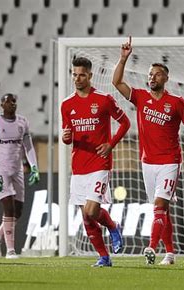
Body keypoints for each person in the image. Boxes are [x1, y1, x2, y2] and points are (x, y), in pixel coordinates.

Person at [113, 36, 184, 266]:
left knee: (159, 205)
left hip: (170, 161)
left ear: (166, 78)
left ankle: (150, 247)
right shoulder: (140, 97)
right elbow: (117, 82)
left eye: (156, 74)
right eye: (149, 74)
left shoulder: (176, 102)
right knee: (161, 210)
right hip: (148, 163)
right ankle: (170, 253)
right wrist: (123, 58)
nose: (152, 77)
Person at [61, 57, 130, 267]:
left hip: (100, 163)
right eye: (74, 74)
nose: (77, 78)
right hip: (78, 166)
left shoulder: (104, 99)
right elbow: (68, 134)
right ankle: (104, 257)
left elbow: (125, 123)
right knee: (86, 217)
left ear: (90, 76)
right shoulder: (66, 104)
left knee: (92, 211)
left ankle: (113, 226)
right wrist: (66, 138)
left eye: (82, 74)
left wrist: (111, 144)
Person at [0, 93, 40, 259]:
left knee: (18, 211)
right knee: (8, 208)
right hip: (0, 171)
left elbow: (28, 146)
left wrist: (34, 167)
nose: (11, 104)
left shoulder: (22, 122)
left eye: (13, 101)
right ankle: (11, 251)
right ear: (1, 104)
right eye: (7, 101)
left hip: (18, 170)